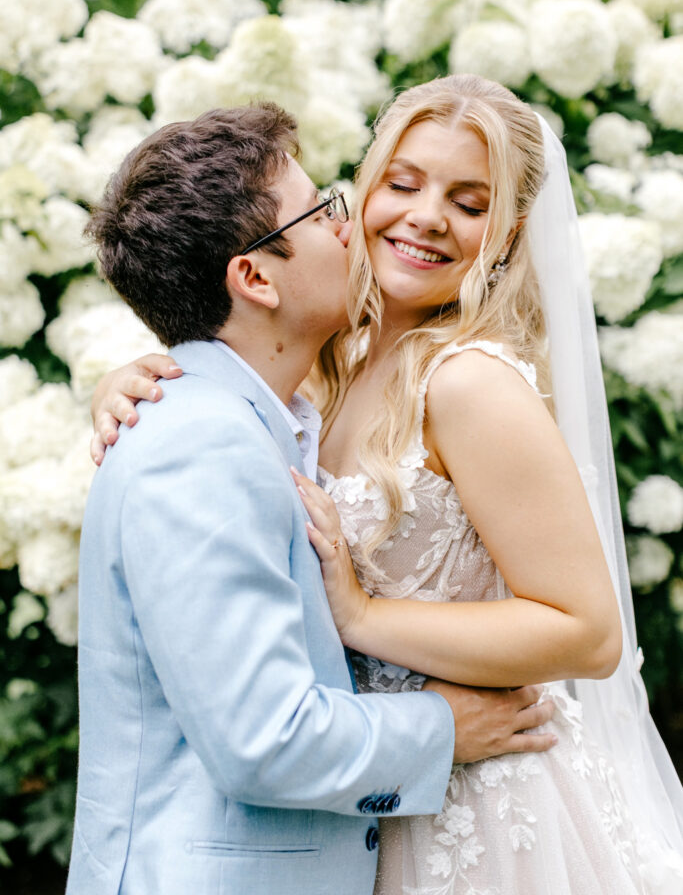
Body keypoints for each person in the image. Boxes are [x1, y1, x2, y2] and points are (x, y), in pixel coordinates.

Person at [94, 77, 683, 893]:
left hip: (483, 800)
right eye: (402, 184)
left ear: (508, 235)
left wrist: (365, 617)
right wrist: (143, 379)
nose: (427, 216)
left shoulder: (469, 381)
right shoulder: (327, 370)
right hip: (373, 796)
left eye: (469, 203)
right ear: (365, 191)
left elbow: (587, 632)